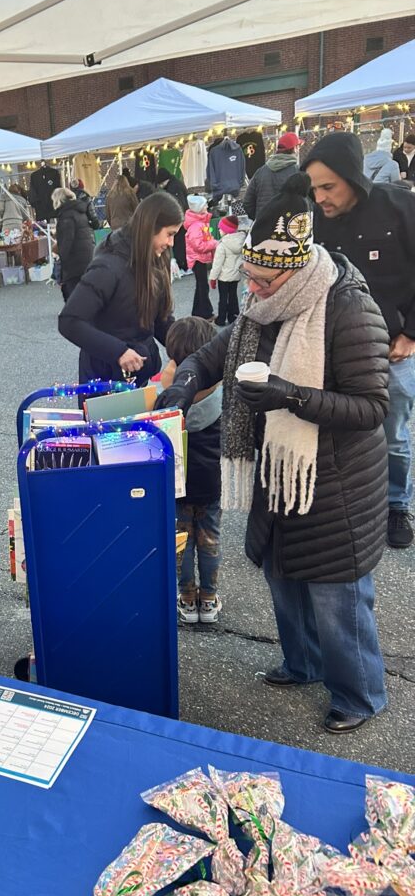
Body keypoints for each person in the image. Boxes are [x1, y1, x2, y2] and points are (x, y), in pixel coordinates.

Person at [158, 173, 390, 735]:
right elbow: (213, 351)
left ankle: (360, 694)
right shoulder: (263, 309)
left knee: (336, 596)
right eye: (251, 279)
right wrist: (184, 382)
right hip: (280, 475)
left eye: (262, 281)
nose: (253, 290)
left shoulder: (345, 307)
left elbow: (371, 407)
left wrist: (292, 396)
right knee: (282, 573)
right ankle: (303, 663)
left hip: (335, 480)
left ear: (292, 271)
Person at [303, 131, 415, 548]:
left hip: (393, 352)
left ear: (353, 177)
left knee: (394, 435)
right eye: (314, 188)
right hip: (333, 349)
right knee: (338, 432)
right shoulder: (314, 219)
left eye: (328, 186)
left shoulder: (401, 206)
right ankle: (348, 505)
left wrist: (411, 334)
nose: (320, 197)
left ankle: (396, 504)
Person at [58, 191, 182, 386]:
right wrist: (118, 351)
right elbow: (69, 321)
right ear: (150, 227)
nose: (171, 243)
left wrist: (186, 351)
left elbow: (159, 320)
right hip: (103, 380)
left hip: (138, 375)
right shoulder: (108, 266)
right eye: (170, 234)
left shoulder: (154, 260)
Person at [158, 317, 222, 624]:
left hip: (177, 485)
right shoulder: (222, 394)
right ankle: (208, 598)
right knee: (209, 539)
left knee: (180, 540)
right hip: (212, 485)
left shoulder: (166, 392)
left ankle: (186, 596)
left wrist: (163, 382)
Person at [242, 131, 302, 221]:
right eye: (298, 147)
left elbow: (247, 202)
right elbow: (306, 202)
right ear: (294, 149)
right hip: (289, 227)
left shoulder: (261, 172)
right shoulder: (298, 172)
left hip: (263, 228)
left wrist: (259, 218)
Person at [52, 186, 95, 302]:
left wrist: (61, 261)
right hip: (86, 256)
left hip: (74, 261)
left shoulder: (66, 216)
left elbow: (66, 243)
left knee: (72, 295)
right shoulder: (79, 211)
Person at [184, 195, 217, 320]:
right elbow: (198, 245)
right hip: (197, 259)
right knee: (203, 287)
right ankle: (205, 313)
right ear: (199, 209)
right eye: (204, 205)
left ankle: (198, 312)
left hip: (199, 258)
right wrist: (214, 243)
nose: (207, 207)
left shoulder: (199, 223)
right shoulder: (196, 226)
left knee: (201, 286)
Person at [209, 215, 245, 326]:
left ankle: (221, 319)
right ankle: (233, 317)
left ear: (225, 230)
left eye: (220, 228)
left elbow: (217, 264)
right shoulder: (242, 241)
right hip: (235, 275)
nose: (219, 230)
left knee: (223, 298)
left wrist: (212, 278)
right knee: (233, 296)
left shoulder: (222, 245)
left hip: (224, 277)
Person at [156, 168, 189, 270]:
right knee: (180, 243)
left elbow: (179, 204)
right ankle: (183, 264)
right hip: (181, 219)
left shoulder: (174, 188)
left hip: (179, 220)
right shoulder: (175, 184)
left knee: (179, 244)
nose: (161, 186)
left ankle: (183, 265)